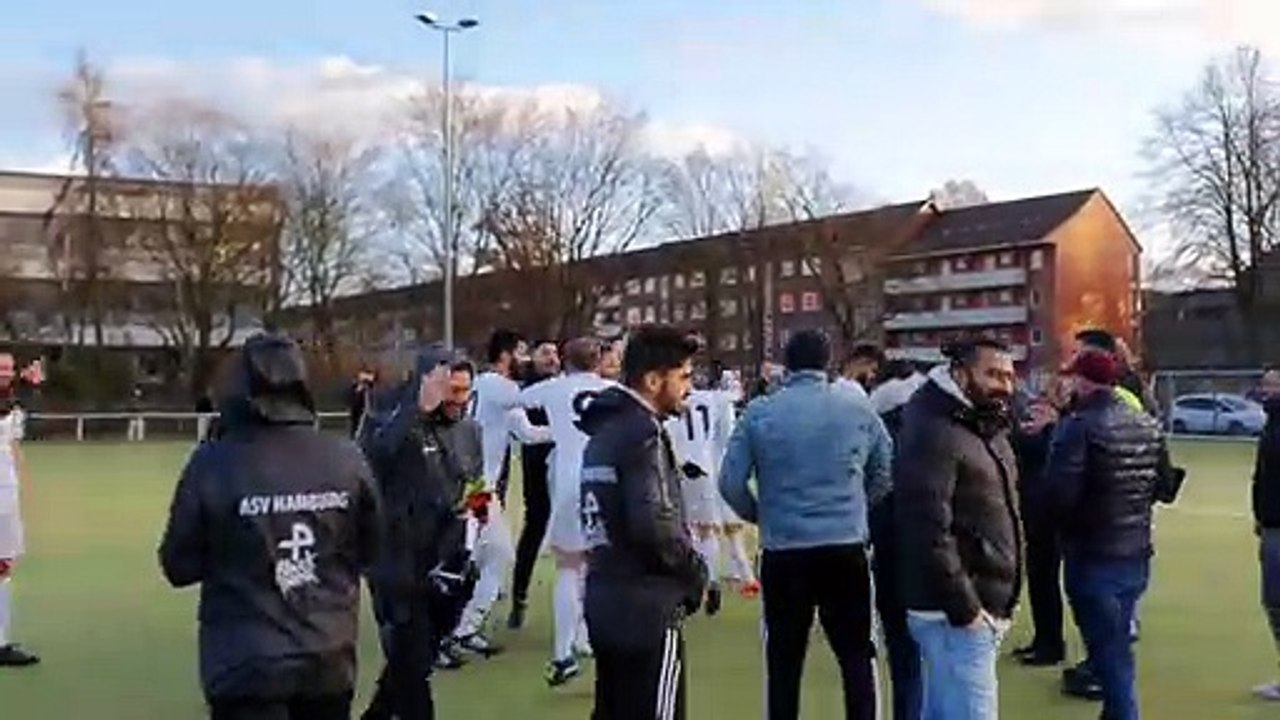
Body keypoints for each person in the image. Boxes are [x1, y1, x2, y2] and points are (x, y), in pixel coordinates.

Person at [157, 333, 382, 720]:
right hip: (327, 657)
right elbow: (374, 549)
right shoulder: (345, 457)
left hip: (245, 663)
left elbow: (179, 565)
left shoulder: (214, 462)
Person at [720, 330, 893, 720]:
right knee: (856, 656)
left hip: (784, 549)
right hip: (844, 546)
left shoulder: (760, 412)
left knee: (783, 661)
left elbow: (729, 482)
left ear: (787, 363)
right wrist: (856, 507)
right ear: (828, 361)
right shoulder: (856, 409)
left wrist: (761, 514)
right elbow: (885, 468)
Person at [578, 325, 707, 720]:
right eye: (683, 376)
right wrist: (695, 573)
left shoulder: (603, 432)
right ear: (653, 380)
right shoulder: (642, 434)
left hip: (605, 596)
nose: (690, 387)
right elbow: (654, 524)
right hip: (647, 606)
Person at [897, 338, 1020, 720]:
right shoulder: (935, 430)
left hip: (975, 608)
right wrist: (964, 608)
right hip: (953, 614)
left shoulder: (980, 425)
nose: (1004, 385)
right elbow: (927, 527)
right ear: (960, 373)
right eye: (993, 374)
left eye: (1009, 375)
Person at [359, 347, 484, 718]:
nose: (459, 400)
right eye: (452, 390)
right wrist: (417, 409)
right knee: (412, 669)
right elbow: (372, 457)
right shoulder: (390, 418)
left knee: (413, 664)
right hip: (395, 563)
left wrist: (476, 522)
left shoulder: (469, 430)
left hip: (446, 562)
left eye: (465, 391)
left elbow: (476, 485)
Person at [1042, 350, 1164, 720]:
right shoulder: (1145, 422)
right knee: (1116, 646)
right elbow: (1166, 484)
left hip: (1092, 554)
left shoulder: (1078, 425)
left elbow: (1060, 494)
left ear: (1082, 380)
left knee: (1111, 656)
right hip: (1135, 551)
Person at [518, 337, 616, 686]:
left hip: (567, 482)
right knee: (599, 565)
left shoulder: (552, 388)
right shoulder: (612, 390)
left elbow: (514, 401)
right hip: (604, 480)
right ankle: (591, 639)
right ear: (598, 360)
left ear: (566, 361)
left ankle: (564, 653)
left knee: (569, 566)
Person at [454, 330, 549, 655]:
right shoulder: (502, 386)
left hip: (476, 487)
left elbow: (530, 434)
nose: (526, 360)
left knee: (483, 556)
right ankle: (458, 629)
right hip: (475, 488)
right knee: (492, 554)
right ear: (507, 354)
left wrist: (564, 431)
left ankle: (461, 627)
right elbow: (535, 399)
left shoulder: (486, 386)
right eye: (522, 352)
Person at [866, 359, 926, 720]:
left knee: (903, 655)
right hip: (941, 558)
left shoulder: (874, 433)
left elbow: (871, 495)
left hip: (891, 554)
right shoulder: (943, 428)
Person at [664, 370, 737, 614]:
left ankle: (690, 585)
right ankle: (711, 579)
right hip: (705, 466)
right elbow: (724, 436)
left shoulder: (669, 397)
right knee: (708, 530)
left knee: (685, 530)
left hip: (678, 466)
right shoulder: (713, 400)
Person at [1012, 375, 1071, 667]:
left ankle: (1051, 645)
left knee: (1045, 579)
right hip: (1036, 508)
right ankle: (1044, 639)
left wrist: (1042, 430)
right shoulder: (1053, 423)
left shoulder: (1061, 428)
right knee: (1040, 580)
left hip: (1046, 512)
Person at [509, 340, 561, 630]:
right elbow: (523, 432)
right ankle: (519, 597)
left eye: (555, 353)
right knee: (535, 526)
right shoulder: (525, 391)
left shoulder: (566, 386)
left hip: (565, 466)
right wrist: (559, 432)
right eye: (545, 353)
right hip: (537, 464)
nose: (552, 358)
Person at [0, 351, 38, 668]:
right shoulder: (6, 402)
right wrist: (24, 386)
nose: (5, 373)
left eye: (9, 369)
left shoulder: (13, 405)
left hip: (5, 496)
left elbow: (13, 442)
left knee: (3, 567)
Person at [1253, 370, 1280, 701]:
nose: (1265, 390)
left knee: (1277, 602)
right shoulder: (1270, 424)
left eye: (1272, 385)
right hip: (1271, 524)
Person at [347, 367, 377, 438]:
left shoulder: (370, 388)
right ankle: (356, 435)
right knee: (357, 421)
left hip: (366, 410)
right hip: (359, 409)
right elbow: (353, 400)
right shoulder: (357, 388)